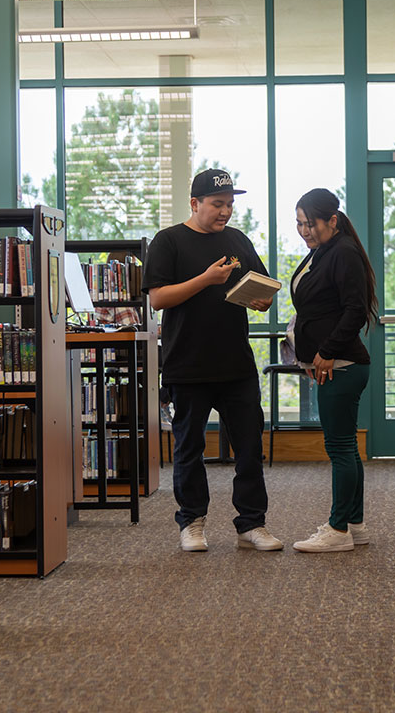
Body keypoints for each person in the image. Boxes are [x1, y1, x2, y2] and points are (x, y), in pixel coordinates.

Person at [142, 168, 283, 552]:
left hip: (235, 363)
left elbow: (263, 288)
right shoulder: (168, 241)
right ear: (195, 203)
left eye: (230, 205)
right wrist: (205, 279)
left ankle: (251, 524)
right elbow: (157, 299)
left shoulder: (237, 239)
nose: (225, 212)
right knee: (189, 448)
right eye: (217, 204)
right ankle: (192, 521)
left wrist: (261, 299)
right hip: (186, 364)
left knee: (249, 446)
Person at [288, 188, 377, 553]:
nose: (304, 231)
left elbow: (354, 310)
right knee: (346, 449)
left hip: (341, 365)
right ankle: (355, 524)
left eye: (310, 224)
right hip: (333, 365)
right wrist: (312, 356)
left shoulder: (342, 252)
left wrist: (324, 352)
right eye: (299, 224)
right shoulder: (324, 252)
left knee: (339, 449)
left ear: (332, 221)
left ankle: (337, 530)